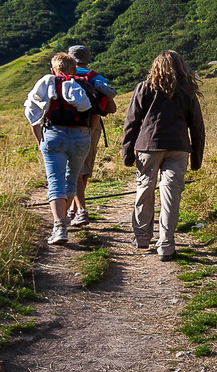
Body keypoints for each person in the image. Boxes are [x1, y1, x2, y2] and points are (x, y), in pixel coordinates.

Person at [121, 49, 205, 261]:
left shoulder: (144, 88)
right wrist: (197, 159)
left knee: (145, 189)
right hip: (178, 147)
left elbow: (131, 123)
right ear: (180, 67)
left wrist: (127, 154)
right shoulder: (187, 91)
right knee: (171, 195)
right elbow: (197, 127)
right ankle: (166, 245)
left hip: (148, 147)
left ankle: (142, 238)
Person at [23, 51, 94, 245]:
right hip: (81, 137)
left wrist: (41, 142)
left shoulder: (48, 83)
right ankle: (64, 220)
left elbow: (32, 114)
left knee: (55, 181)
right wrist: (87, 135)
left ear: (53, 69)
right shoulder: (83, 84)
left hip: (54, 135)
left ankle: (59, 227)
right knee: (72, 179)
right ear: (74, 68)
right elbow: (95, 113)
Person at [68, 44, 118, 228]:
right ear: (87, 59)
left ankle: (77, 209)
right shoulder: (96, 77)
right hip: (92, 125)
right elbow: (110, 107)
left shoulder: (63, 75)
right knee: (85, 167)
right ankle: (75, 208)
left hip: (68, 126)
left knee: (74, 169)